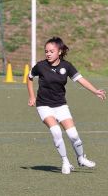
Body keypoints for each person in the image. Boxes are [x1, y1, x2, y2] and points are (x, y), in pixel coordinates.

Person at [27, 37, 106, 175]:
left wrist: (95, 91)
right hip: (44, 105)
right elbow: (29, 77)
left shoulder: (67, 66)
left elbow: (80, 79)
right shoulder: (40, 66)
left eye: (51, 51)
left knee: (73, 135)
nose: (48, 54)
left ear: (60, 51)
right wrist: (32, 96)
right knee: (56, 132)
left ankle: (81, 158)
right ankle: (65, 162)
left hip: (61, 105)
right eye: (46, 51)